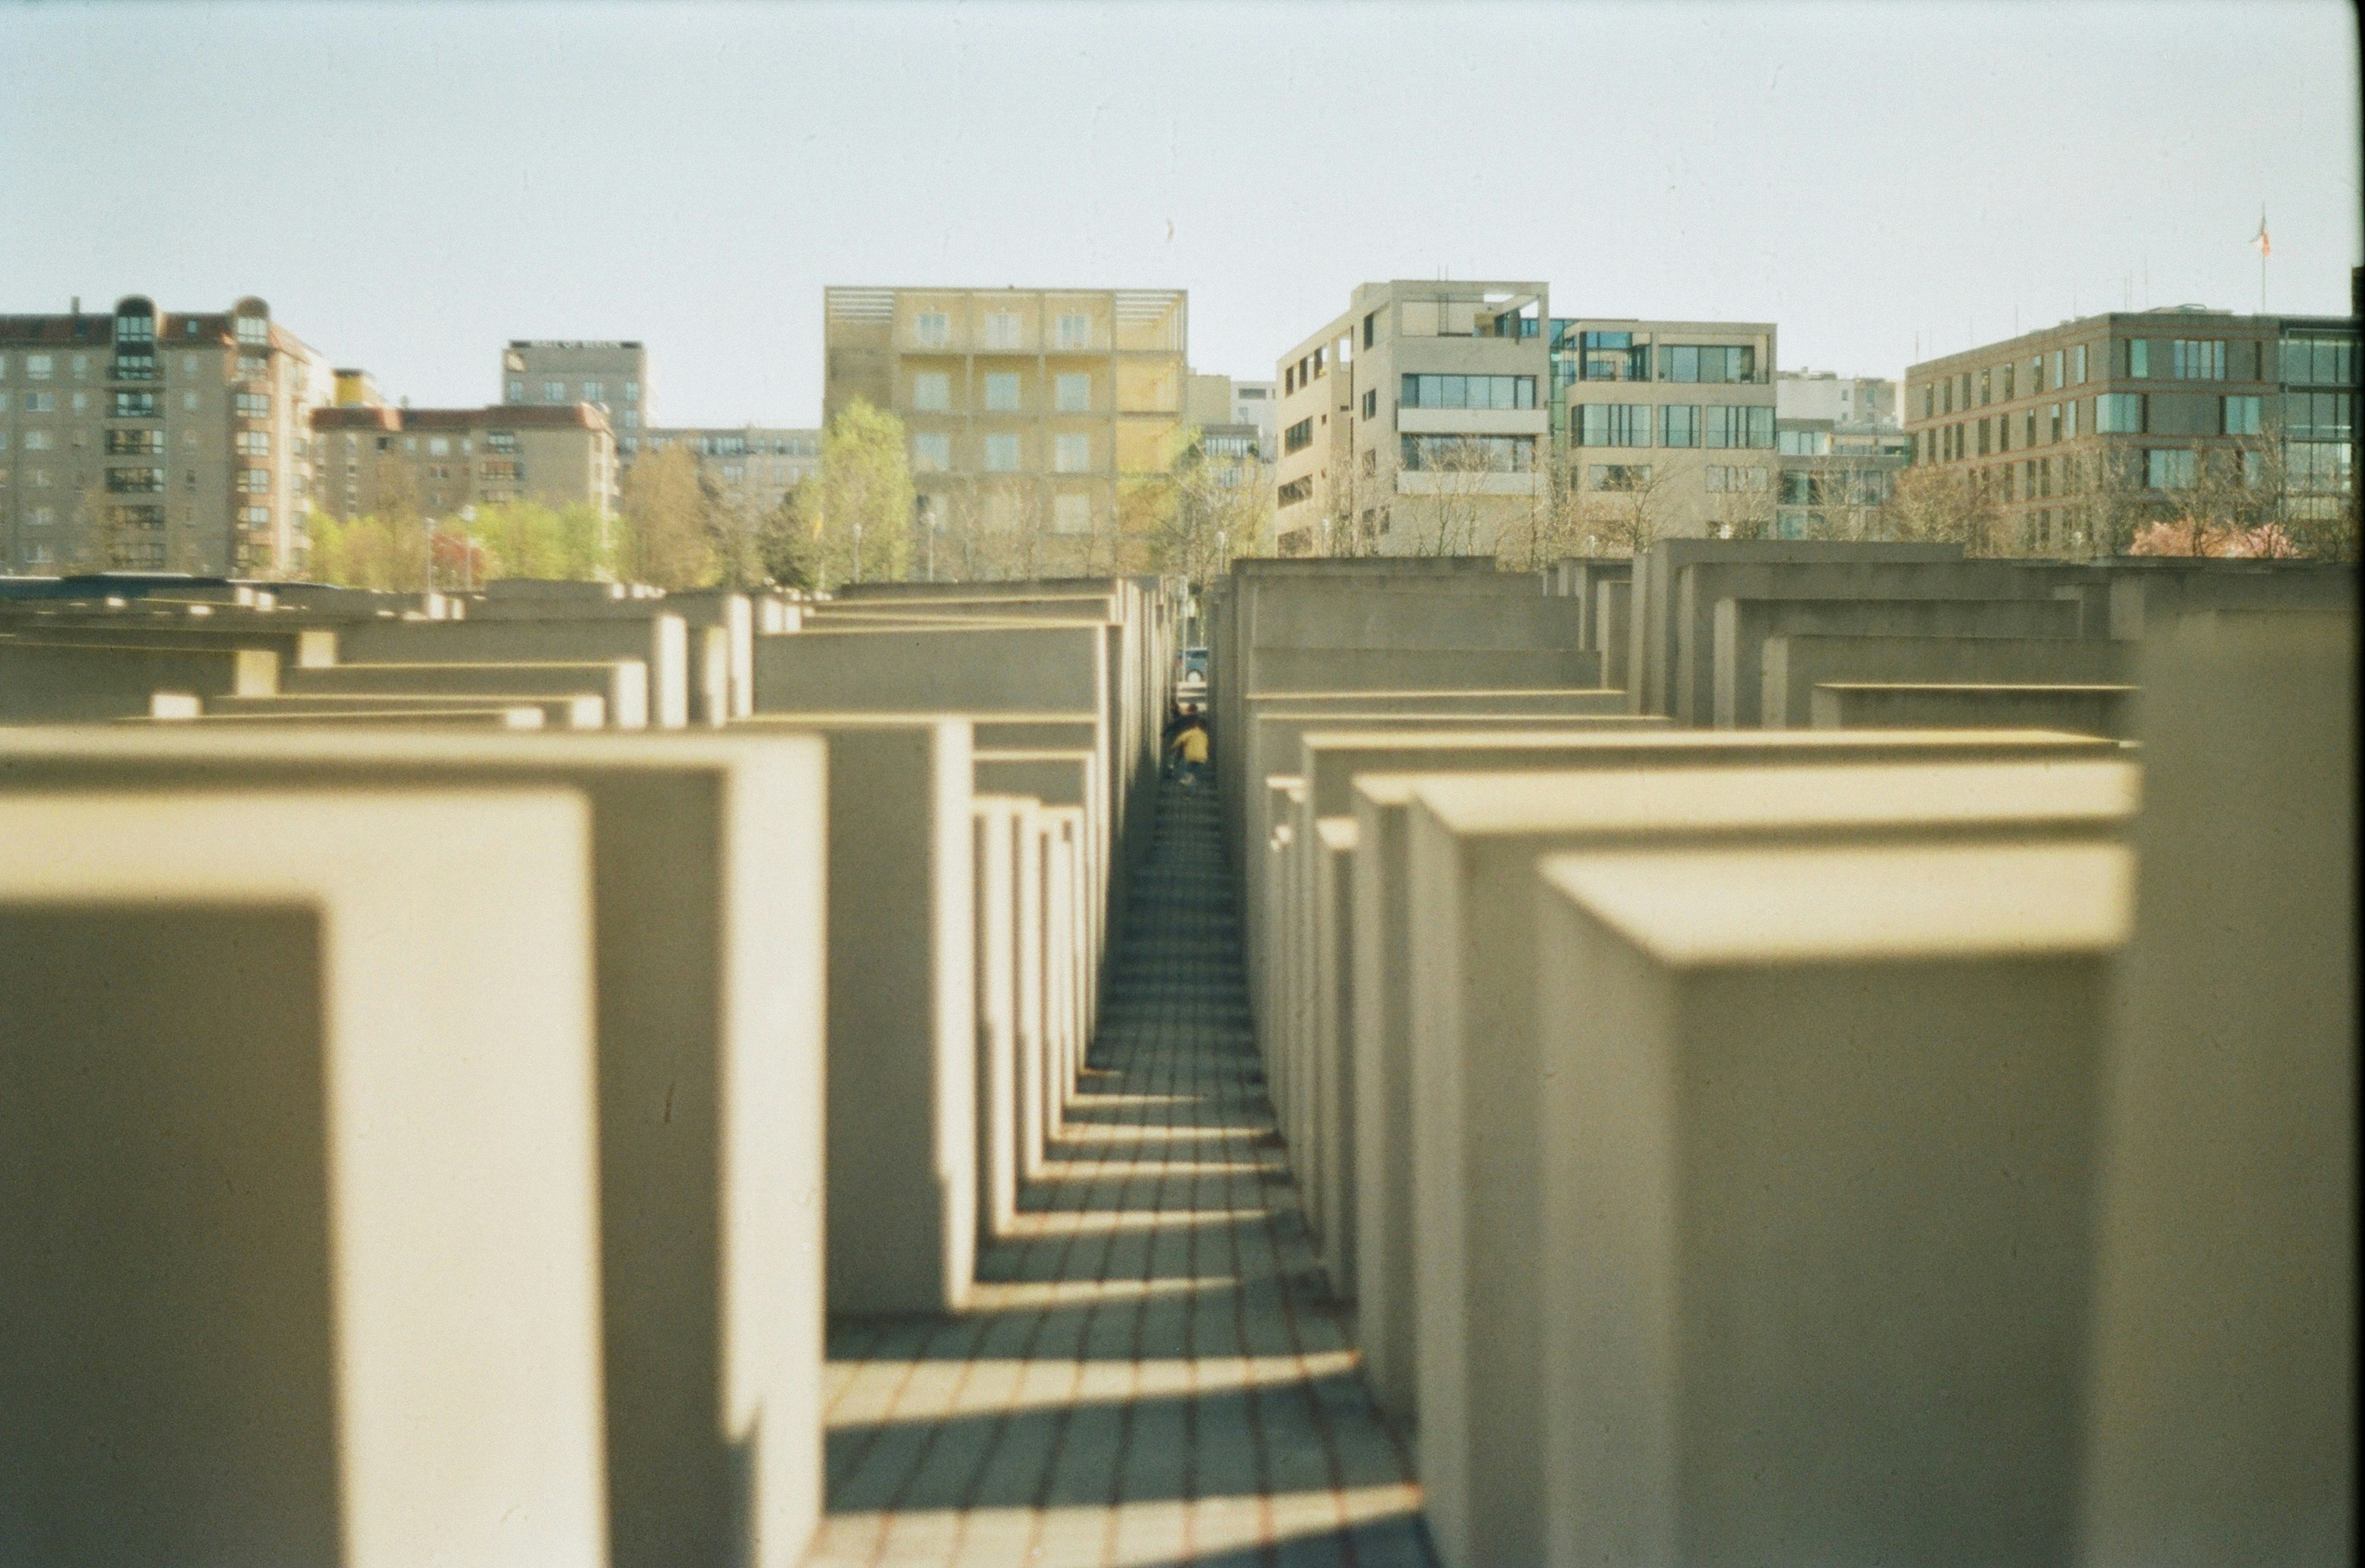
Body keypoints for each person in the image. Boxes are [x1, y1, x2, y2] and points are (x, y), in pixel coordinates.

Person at [1167, 716, 1209, 786]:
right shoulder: (1204, 735)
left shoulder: (1190, 732)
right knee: (1195, 776)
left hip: (1190, 756)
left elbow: (1180, 739)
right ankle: (1191, 789)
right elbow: (1206, 745)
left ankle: (1186, 780)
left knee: (1183, 769)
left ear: (1196, 725)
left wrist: (1173, 748)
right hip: (1202, 757)